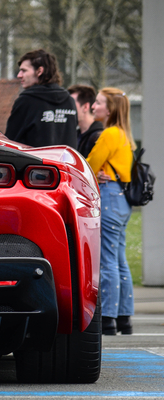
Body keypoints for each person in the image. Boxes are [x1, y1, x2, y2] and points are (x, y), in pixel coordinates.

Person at [86, 87, 136, 336]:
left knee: (107, 261)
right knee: (118, 260)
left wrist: (95, 172)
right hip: (122, 200)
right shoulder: (125, 135)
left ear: (110, 109)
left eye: (98, 102)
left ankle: (108, 319)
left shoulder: (108, 134)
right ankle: (124, 317)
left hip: (108, 198)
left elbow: (88, 165)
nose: (94, 106)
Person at [5, 49, 77, 148]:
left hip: (35, 163)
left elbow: (10, 144)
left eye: (24, 71)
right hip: (65, 163)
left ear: (39, 71)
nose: (19, 75)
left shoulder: (26, 101)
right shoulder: (69, 101)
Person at [68, 84, 104, 158]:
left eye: (71, 105)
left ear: (85, 107)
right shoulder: (75, 135)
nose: (68, 109)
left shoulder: (98, 137)